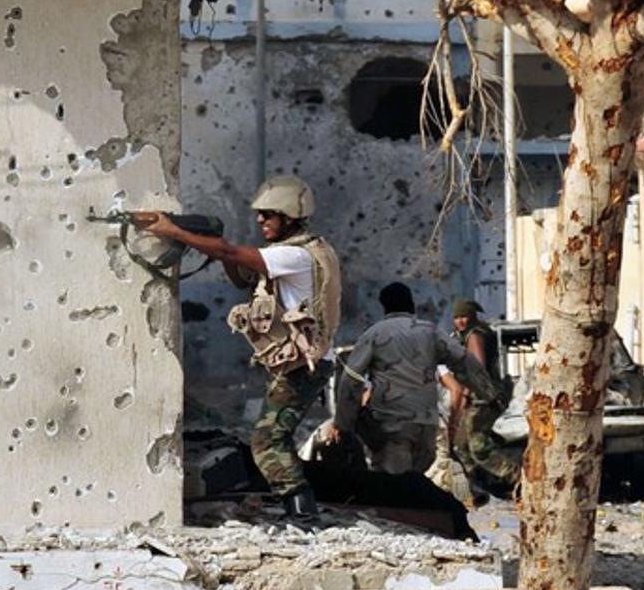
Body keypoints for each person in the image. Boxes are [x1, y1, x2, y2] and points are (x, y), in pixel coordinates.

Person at [141, 175, 340, 519]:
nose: (261, 221)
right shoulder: (299, 251)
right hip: (297, 362)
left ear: (290, 216)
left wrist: (175, 232)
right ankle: (299, 510)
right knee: (275, 436)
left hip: (302, 365)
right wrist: (213, 245)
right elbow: (239, 275)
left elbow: (231, 253)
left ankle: (303, 514)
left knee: (266, 442)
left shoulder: (295, 256)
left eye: (268, 215)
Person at [331, 283, 496, 476]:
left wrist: (342, 423)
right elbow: (466, 362)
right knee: (416, 478)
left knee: (394, 484)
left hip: (391, 427)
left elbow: (351, 380)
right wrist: (489, 395)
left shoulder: (375, 334)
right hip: (426, 427)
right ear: (411, 304)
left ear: (384, 306)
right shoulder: (431, 332)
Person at [443, 298, 522, 495]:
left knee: (479, 447)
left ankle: (518, 477)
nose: (460, 321)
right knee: (461, 446)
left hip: (484, 397)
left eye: (464, 317)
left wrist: (468, 390)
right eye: (457, 317)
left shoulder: (475, 335)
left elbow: (478, 367)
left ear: (472, 317)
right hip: (480, 396)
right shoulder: (465, 335)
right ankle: (475, 488)